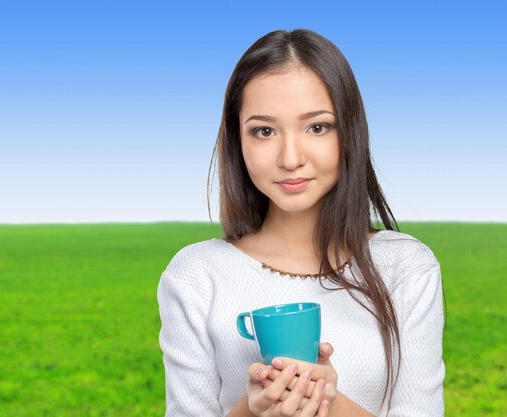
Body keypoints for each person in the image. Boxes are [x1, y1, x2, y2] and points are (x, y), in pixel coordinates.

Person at [157, 28, 445, 417]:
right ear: (237, 141)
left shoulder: (405, 267)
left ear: (350, 133)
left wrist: (328, 401)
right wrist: (251, 410)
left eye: (317, 127)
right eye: (264, 131)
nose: (290, 157)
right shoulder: (196, 276)